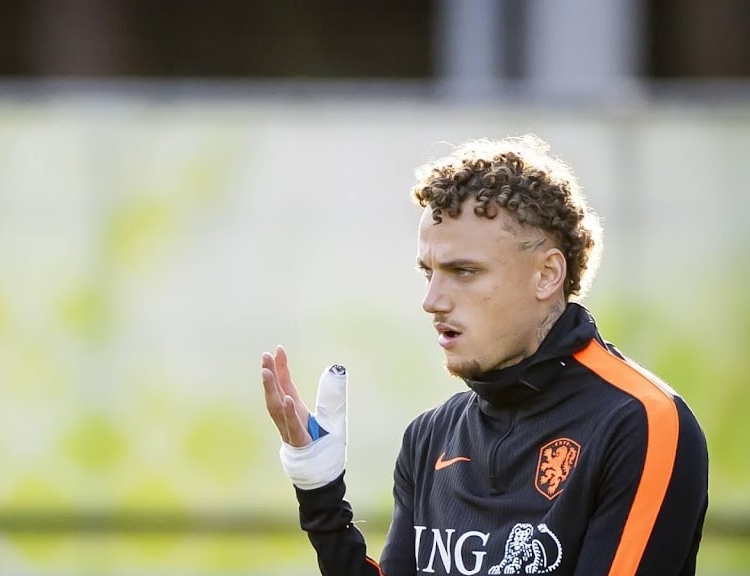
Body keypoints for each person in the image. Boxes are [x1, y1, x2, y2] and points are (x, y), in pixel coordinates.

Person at [260, 134, 708, 575]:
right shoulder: (430, 436)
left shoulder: (641, 422)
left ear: (547, 274)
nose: (432, 301)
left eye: (463, 271)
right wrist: (320, 494)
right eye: (428, 272)